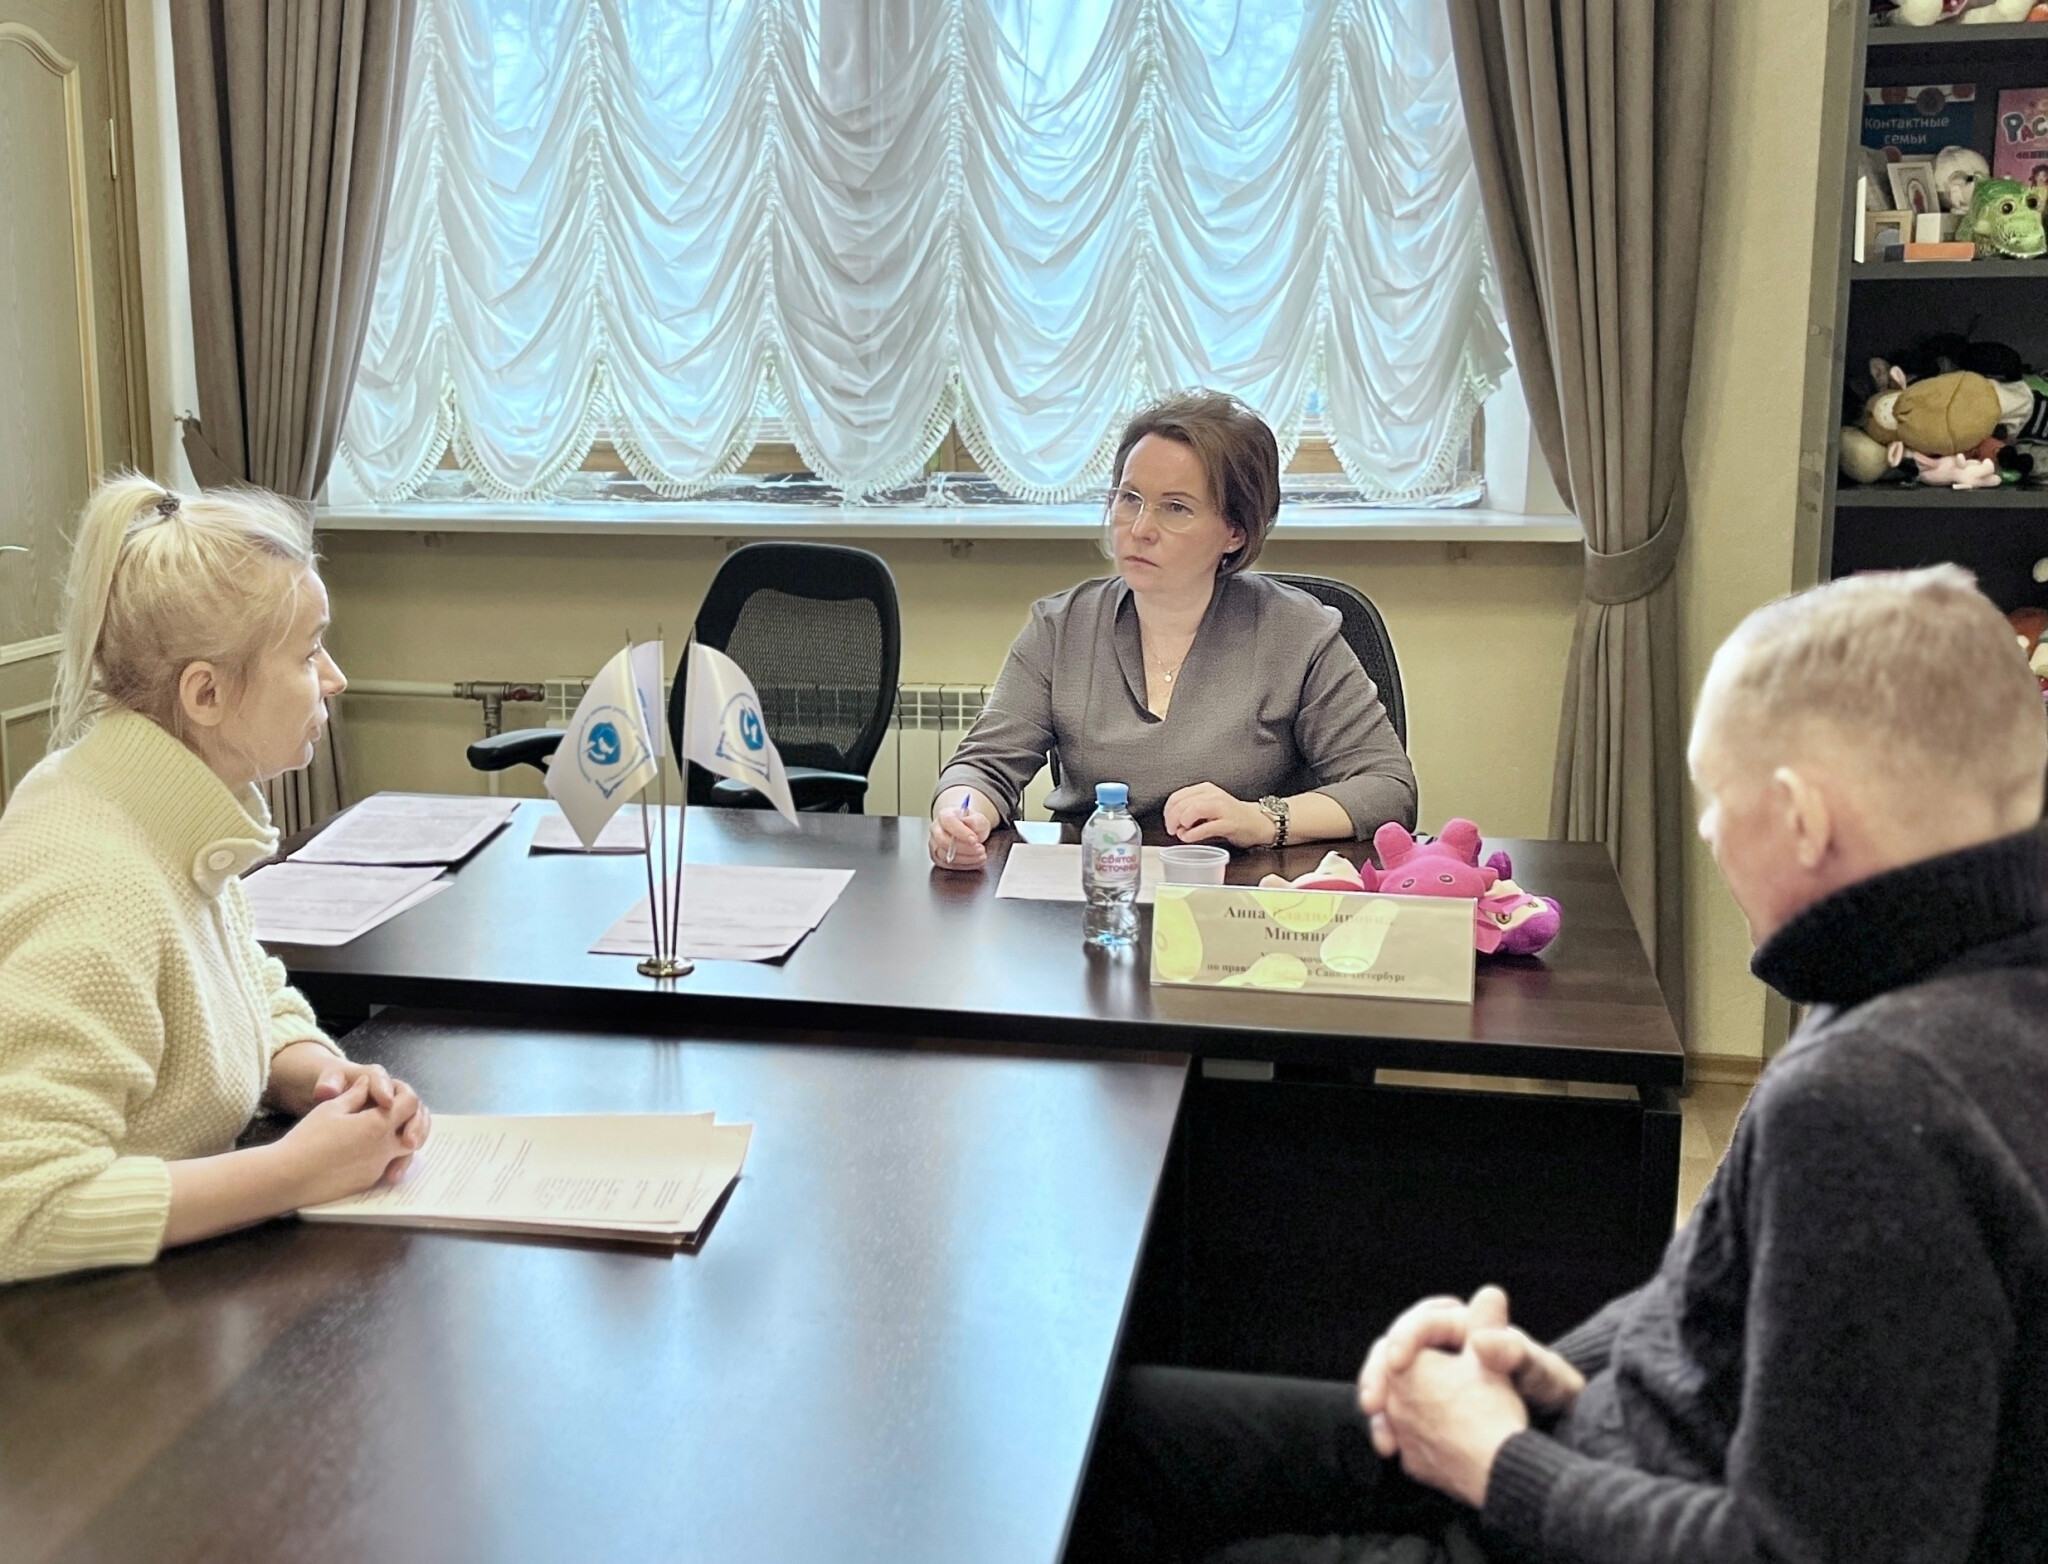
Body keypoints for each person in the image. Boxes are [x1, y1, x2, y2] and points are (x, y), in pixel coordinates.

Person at [1069, 566, 2048, 1563]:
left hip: (1567, 1518)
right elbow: (1709, 1311)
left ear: (1802, 818)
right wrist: (1542, 1370)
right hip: (1586, 1452)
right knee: (1107, 1435)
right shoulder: (1954, 985)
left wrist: (1495, 1462)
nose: (1710, 833)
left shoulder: (1869, 1105)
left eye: (1717, 801)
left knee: (1098, 1501)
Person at [0, 476, 430, 1285]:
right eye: (307, 654)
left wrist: (321, 1075)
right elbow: (19, 1207)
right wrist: (297, 1171)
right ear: (206, 693)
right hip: (80, 1338)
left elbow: (238, 991)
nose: (333, 678)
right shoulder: (99, 880)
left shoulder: (163, 800)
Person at [928, 392, 1416, 871]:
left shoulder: (1295, 631)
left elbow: (1387, 787)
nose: (1140, 528)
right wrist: (959, 815)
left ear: (1235, 532)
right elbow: (983, 766)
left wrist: (1262, 819)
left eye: (1176, 507)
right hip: (1096, 885)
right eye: (1130, 499)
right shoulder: (1061, 627)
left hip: (1237, 891)